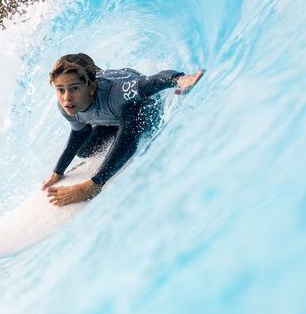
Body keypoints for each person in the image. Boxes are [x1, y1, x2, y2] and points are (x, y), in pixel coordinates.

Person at [42, 53, 204, 206]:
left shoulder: (118, 93)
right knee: (85, 151)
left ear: (91, 87)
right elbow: (80, 132)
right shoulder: (65, 106)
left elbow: (152, 82)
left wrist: (180, 79)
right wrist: (58, 171)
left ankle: (93, 185)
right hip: (112, 115)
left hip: (141, 106)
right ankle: (115, 136)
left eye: (74, 88)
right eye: (60, 89)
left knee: (131, 116)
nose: (66, 97)